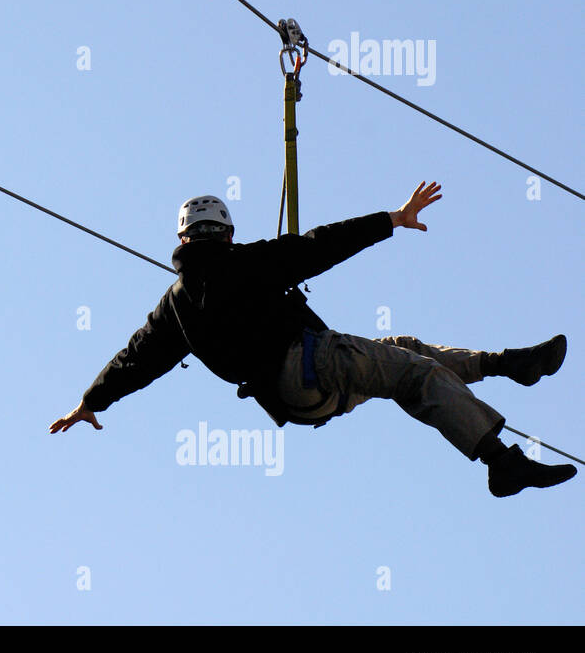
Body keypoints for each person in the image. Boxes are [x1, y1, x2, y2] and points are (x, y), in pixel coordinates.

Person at [51, 182, 575, 498]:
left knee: (404, 347)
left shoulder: (173, 308)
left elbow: (135, 359)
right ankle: (500, 463)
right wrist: (392, 219)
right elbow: (320, 246)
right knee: (417, 375)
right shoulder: (248, 262)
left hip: (297, 401)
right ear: (226, 234)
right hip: (310, 364)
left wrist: (90, 401)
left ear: (182, 240)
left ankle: (508, 364)